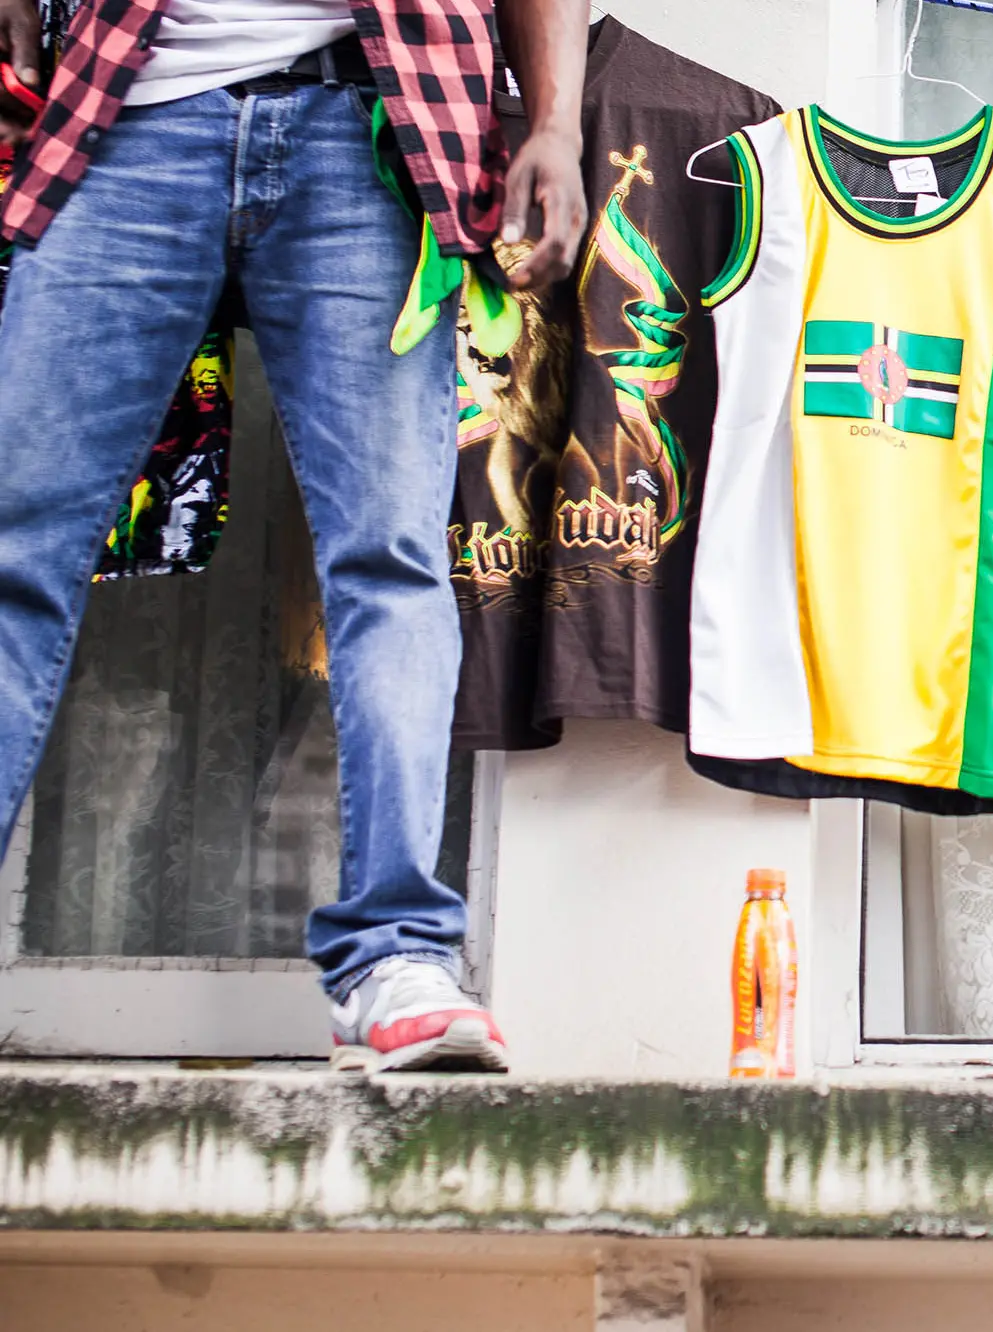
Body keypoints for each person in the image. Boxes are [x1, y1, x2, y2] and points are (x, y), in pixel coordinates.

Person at [0, 0, 587, 1071]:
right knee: (11, 552)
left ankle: (397, 958)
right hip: (126, 110)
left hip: (371, 117)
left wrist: (556, 122)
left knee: (391, 561)